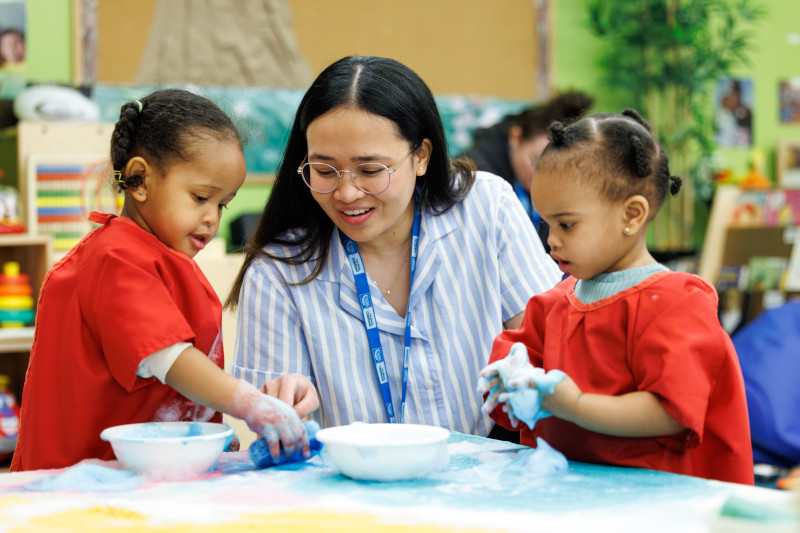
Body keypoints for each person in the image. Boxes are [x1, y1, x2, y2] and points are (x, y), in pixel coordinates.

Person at [226, 56, 562, 438]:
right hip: (354, 490)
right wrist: (285, 413)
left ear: (420, 157)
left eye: (371, 170)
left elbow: (550, 351)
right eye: (324, 170)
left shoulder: (487, 208)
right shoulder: (278, 271)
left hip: (491, 481)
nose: (347, 193)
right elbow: (279, 431)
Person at [11, 89, 314, 472]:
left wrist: (205, 426)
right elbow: (169, 360)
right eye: (200, 197)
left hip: (136, 476)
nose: (212, 218)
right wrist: (250, 404)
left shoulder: (162, 257)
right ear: (139, 180)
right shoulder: (116, 257)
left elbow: (164, 388)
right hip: (81, 482)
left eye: (222, 204)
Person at [479, 109, 754, 485]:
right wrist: (507, 384)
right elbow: (516, 363)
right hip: (573, 494)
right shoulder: (554, 303)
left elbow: (671, 411)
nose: (551, 240)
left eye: (567, 224)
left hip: (657, 504)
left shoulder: (675, 303)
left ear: (632, 215)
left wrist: (574, 406)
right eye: (546, 223)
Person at [461, 90, 594, 250]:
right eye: (536, 161)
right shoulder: (475, 177)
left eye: (556, 166)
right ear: (515, 138)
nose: (544, 174)